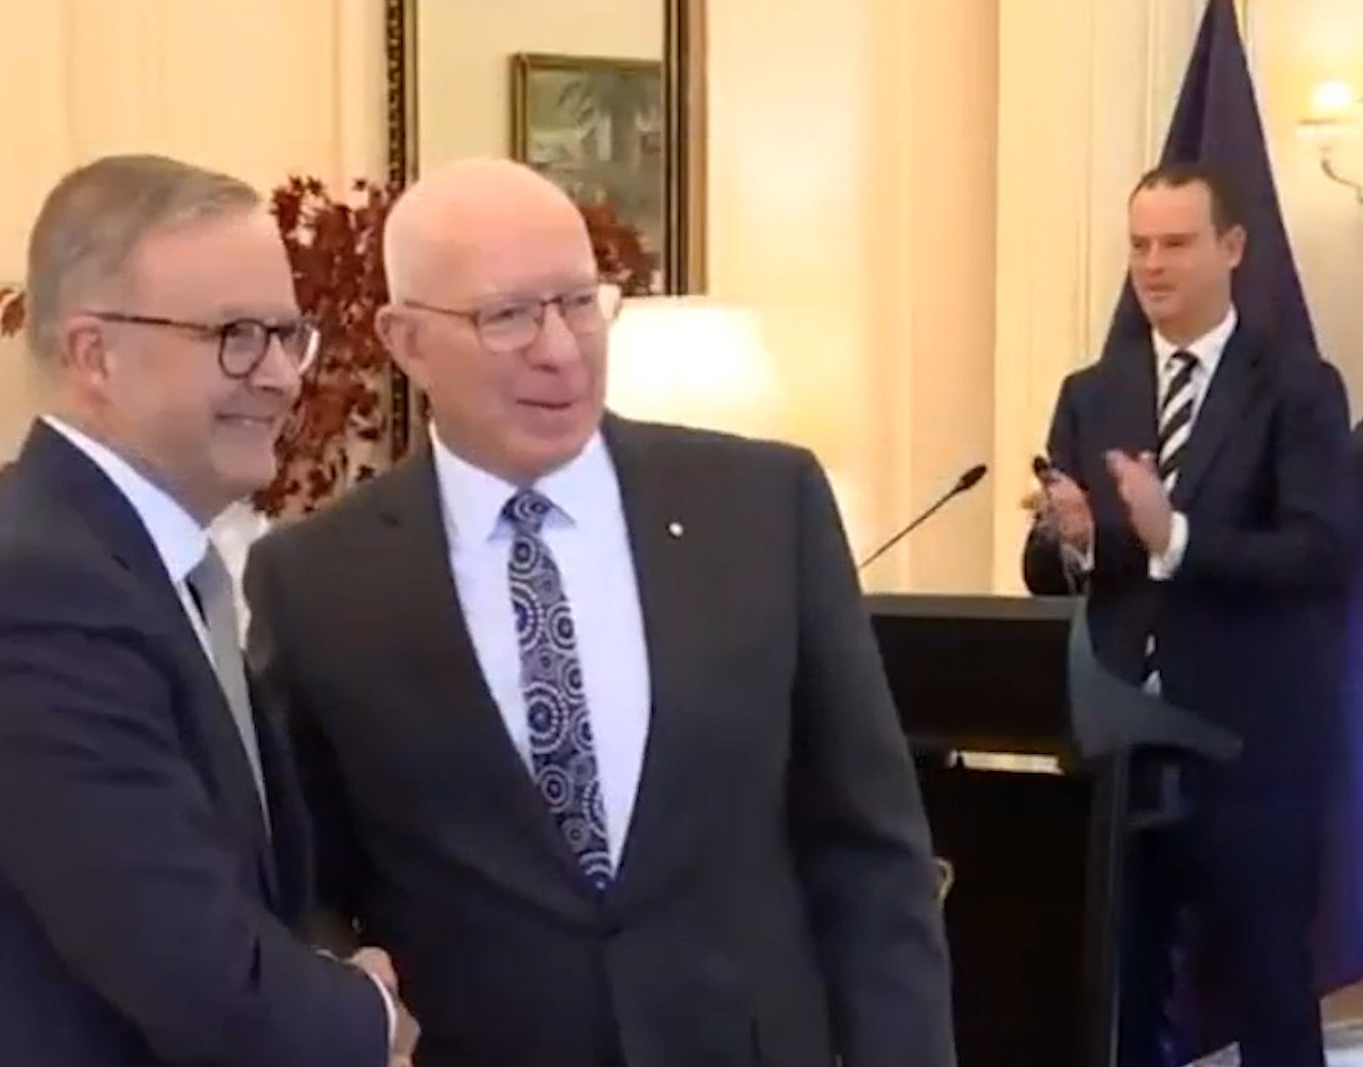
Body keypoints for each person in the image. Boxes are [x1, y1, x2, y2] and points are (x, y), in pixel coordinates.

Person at [242, 157, 954, 1067]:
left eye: (580, 302)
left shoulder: (762, 507)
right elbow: (304, 885)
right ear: (406, 340)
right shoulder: (315, 580)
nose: (560, 348)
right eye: (507, 315)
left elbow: (870, 852)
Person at [0, 154, 412, 1067]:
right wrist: (371, 1015)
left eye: (287, 335)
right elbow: (191, 965)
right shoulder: (32, 592)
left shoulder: (140, 568)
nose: (280, 375)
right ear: (95, 356)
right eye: (237, 336)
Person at [1020, 162, 1355, 1067]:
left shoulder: (1297, 388)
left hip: (1250, 749)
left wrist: (1176, 537)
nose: (1152, 265)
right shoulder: (1091, 391)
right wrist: (1073, 541)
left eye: (1174, 244)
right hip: (1119, 750)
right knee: (1115, 993)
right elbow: (1046, 571)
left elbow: (1320, 552)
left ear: (1231, 247)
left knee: (1267, 991)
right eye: (1139, 245)